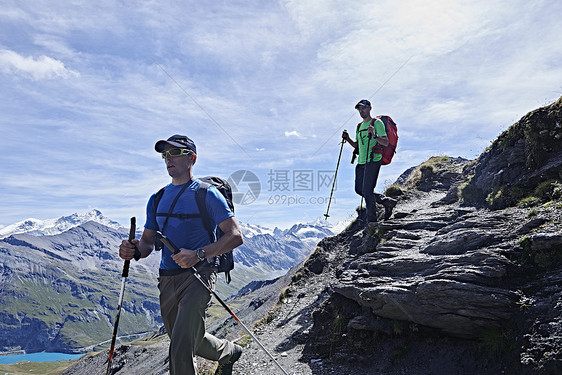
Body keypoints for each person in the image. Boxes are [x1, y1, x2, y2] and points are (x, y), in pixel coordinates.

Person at [119, 134, 244, 375]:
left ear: (192, 159)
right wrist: (133, 250)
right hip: (167, 278)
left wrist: (198, 254)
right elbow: (146, 243)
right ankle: (230, 352)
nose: (168, 158)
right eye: (165, 154)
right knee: (190, 340)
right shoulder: (156, 199)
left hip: (200, 275)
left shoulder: (207, 194)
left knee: (179, 348)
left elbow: (235, 236)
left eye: (175, 153)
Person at [342, 100, 397, 229]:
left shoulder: (376, 123)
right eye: (359, 109)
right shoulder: (359, 126)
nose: (361, 111)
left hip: (373, 160)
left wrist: (374, 134)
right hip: (361, 162)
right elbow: (357, 145)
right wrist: (348, 138)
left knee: (367, 190)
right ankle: (386, 201)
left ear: (370, 108)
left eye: (363, 108)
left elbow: (385, 142)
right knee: (359, 189)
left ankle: (372, 222)